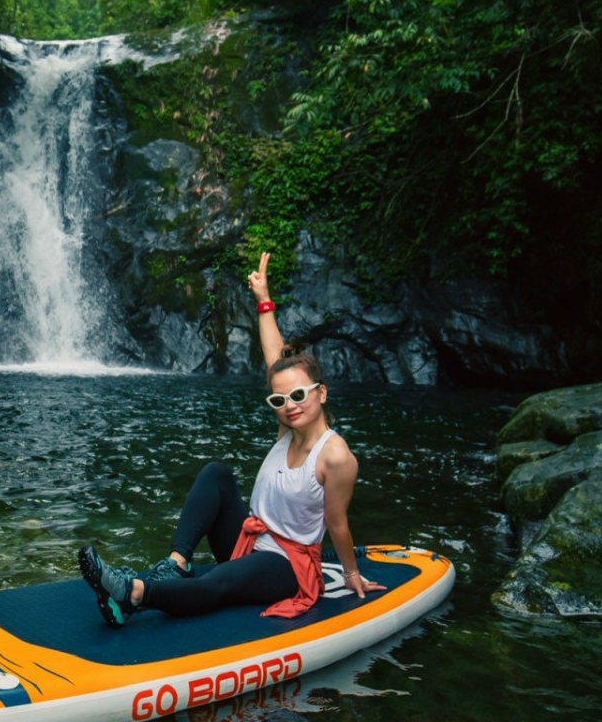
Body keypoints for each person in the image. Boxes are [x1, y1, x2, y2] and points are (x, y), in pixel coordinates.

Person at [77, 250, 377, 625]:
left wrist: (350, 575)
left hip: (286, 564)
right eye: (280, 399)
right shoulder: (289, 424)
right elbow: (275, 363)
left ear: (322, 393)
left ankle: (132, 593)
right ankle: (176, 564)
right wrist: (263, 300)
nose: (290, 405)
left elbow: (337, 524)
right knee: (217, 474)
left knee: (220, 582)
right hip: (251, 540)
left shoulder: (335, 456)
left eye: (299, 395)